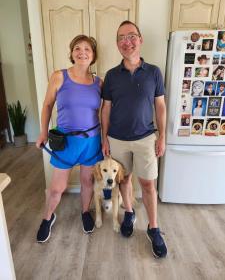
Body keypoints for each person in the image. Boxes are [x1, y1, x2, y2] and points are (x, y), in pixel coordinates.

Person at [101, 21, 167, 258]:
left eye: (131, 36)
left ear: (140, 40)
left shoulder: (154, 72)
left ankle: (153, 228)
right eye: (121, 37)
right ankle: (129, 213)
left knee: (148, 184)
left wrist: (162, 137)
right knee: (123, 180)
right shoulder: (110, 76)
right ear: (117, 44)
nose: (126, 41)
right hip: (117, 139)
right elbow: (105, 110)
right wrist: (104, 139)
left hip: (146, 138)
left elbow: (160, 106)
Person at [36, 35, 103, 243]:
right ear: (72, 52)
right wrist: (43, 132)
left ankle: (85, 212)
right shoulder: (59, 76)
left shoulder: (99, 83)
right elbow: (47, 105)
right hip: (65, 142)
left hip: (92, 141)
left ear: (93, 56)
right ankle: (48, 218)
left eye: (87, 49)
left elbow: (105, 112)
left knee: (87, 181)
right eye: (77, 48)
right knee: (57, 188)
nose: (82, 52)